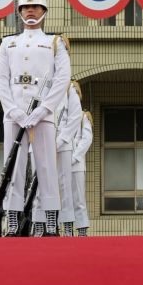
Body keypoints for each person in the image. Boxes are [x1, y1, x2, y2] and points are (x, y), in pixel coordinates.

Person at [0, 0, 70, 237]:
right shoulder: (8, 43)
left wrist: (45, 109)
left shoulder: (54, 43)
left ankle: (50, 222)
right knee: (14, 168)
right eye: (25, 7)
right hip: (14, 113)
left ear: (44, 11)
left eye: (35, 6)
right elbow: (0, 79)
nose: (30, 10)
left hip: (43, 115)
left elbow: (62, 79)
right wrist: (13, 110)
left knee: (46, 168)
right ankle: (13, 221)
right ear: (19, 12)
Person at [55, 80, 82, 236]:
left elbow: (74, 117)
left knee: (65, 187)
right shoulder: (42, 83)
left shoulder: (68, 87)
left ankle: (67, 227)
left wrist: (59, 141)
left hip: (63, 144)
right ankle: (44, 225)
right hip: (43, 142)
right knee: (41, 188)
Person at [71, 109, 93, 236]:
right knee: (61, 200)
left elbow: (87, 138)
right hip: (59, 164)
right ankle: (63, 228)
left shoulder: (82, 116)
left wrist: (74, 157)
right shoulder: (56, 112)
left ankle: (82, 229)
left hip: (76, 165)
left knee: (78, 199)